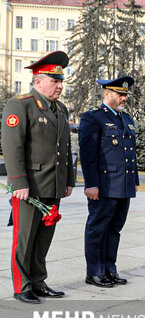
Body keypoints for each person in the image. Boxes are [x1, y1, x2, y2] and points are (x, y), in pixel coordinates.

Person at [1, 51, 74, 304]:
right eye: (55, 81)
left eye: (61, 81)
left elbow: (65, 148)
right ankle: (22, 286)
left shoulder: (60, 109)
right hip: (29, 187)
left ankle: (39, 282)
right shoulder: (20, 105)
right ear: (38, 80)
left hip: (53, 184)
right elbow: (12, 147)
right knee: (25, 239)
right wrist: (18, 182)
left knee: (44, 238)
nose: (60, 86)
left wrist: (68, 181)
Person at [79, 76, 138, 288]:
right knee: (97, 229)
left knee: (114, 229)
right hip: (103, 185)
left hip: (123, 185)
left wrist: (135, 180)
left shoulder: (126, 119)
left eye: (125, 95)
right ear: (107, 94)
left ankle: (109, 269)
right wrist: (91, 184)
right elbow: (88, 155)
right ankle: (94, 272)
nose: (124, 98)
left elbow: (131, 154)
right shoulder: (93, 118)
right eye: (120, 94)